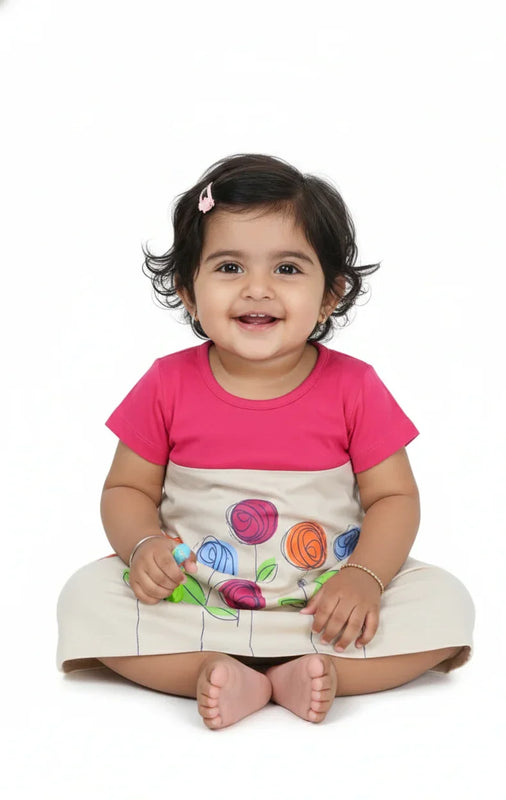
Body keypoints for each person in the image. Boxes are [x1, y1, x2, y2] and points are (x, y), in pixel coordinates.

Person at [56, 153, 475, 730]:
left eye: (287, 268)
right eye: (229, 267)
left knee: (447, 601)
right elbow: (127, 488)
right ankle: (217, 670)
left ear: (330, 295)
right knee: (84, 596)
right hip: (197, 598)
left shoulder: (356, 386)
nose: (257, 289)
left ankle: (307, 672)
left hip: (323, 603)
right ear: (187, 290)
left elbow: (394, 498)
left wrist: (365, 577)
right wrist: (142, 546)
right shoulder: (166, 383)